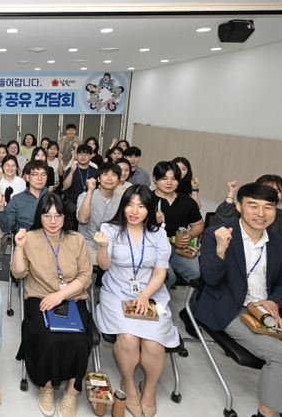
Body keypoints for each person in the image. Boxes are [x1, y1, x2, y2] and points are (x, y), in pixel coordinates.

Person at [191, 182, 282, 417]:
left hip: (266, 309)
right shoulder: (217, 234)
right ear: (239, 206)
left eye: (268, 206)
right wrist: (221, 250)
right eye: (253, 205)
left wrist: (274, 301)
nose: (261, 213)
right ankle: (265, 415)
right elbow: (210, 279)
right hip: (228, 307)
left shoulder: (280, 245)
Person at [93, 184, 180, 417]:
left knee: (153, 343)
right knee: (128, 338)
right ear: (122, 207)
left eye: (141, 206)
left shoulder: (158, 234)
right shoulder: (110, 230)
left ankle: (149, 389)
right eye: (130, 205)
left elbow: (160, 272)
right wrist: (103, 247)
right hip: (117, 290)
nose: (134, 211)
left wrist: (144, 296)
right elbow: (104, 266)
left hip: (151, 291)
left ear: (149, 209)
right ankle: (129, 384)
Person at [11, 192, 93, 417]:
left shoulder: (76, 239)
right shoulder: (30, 237)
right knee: (47, 337)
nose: (53, 221)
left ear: (65, 217)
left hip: (72, 297)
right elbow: (18, 273)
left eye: (58, 216)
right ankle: (46, 385)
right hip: (39, 297)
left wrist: (61, 295)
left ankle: (72, 390)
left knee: (80, 339)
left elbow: (86, 276)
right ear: (40, 216)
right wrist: (19, 247)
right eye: (47, 216)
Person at [214, 175, 282, 271]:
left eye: (276, 191)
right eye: (265, 189)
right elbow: (222, 221)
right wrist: (231, 194)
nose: (269, 193)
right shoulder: (244, 211)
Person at [151, 161, 204, 288]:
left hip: (178, 247)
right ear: (155, 179)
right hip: (153, 248)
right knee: (168, 277)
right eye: (164, 178)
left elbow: (199, 225)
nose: (169, 183)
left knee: (196, 274)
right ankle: (158, 299)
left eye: (174, 179)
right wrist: (153, 221)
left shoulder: (187, 202)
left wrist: (190, 234)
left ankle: (189, 303)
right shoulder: (147, 199)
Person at [77, 162, 122, 266]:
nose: (109, 178)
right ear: (98, 179)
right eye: (105, 174)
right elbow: (82, 219)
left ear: (118, 181)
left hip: (111, 245)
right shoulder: (85, 196)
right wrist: (90, 191)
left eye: (114, 175)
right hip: (88, 244)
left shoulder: (121, 200)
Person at [0, 160, 49, 233]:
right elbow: (6, 227)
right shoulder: (17, 199)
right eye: (35, 174)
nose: (40, 178)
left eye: (43, 175)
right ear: (27, 178)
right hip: (26, 237)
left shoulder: (53, 198)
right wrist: (1, 208)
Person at [62, 144, 98, 231]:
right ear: (76, 155)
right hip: (72, 201)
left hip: (89, 201)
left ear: (90, 156)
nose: (83, 157)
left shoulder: (95, 171)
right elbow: (65, 187)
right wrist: (72, 172)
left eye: (86, 154)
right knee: (73, 213)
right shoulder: (71, 169)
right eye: (80, 154)